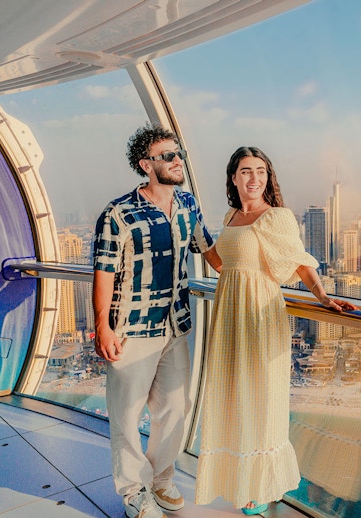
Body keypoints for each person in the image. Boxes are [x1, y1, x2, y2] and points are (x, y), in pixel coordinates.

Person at [194, 146, 357, 515]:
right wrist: (201, 238)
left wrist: (323, 296)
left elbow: (299, 264)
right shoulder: (232, 215)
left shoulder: (277, 217)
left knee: (260, 397)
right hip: (229, 313)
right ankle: (237, 476)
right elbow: (224, 264)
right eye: (246, 171)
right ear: (233, 178)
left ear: (269, 177)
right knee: (231, 395)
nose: (254, 178)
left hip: (260, 315)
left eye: (261, 171)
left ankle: (260, 486)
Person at [92, 123, 217, 518]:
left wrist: (250, 277)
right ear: (146, 165)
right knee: (127, 416)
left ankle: (162, 478)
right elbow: (105, 271)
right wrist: (102, 325)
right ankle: (132, 492)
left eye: (178, 154)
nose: (177, 160)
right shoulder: (118, 213)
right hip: (131, 330)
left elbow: (209, 250)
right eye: (168, 156)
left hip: (175, 325)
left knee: (175, 409)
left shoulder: (188, 205)